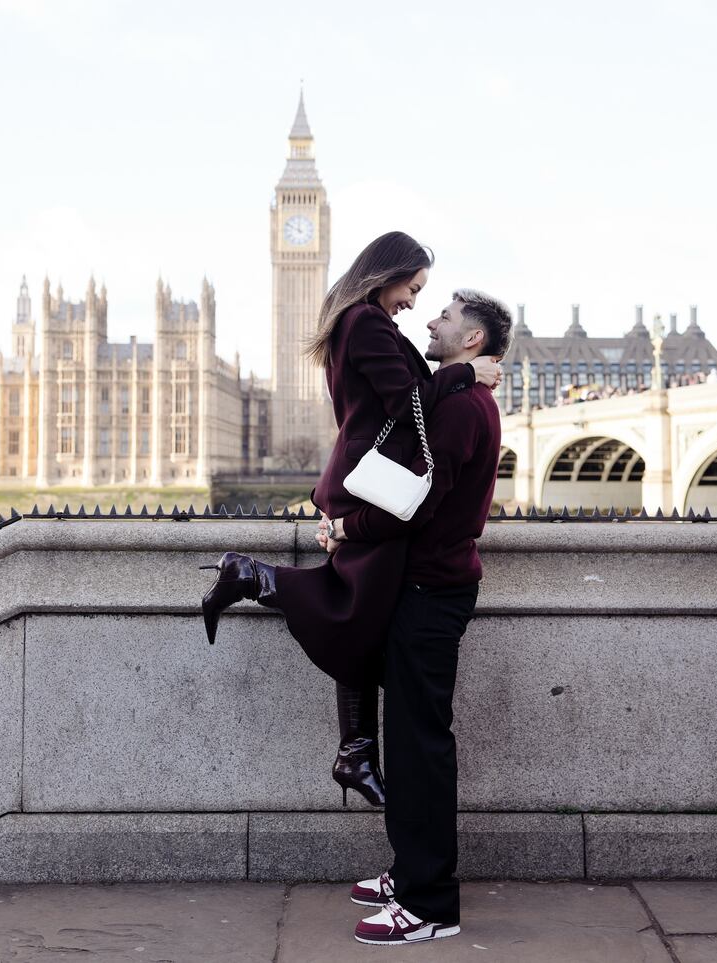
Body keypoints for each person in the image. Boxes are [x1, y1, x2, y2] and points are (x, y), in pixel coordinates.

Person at [198, 232, 502, 808]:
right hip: (375, 484)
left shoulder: (359, 321)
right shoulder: (365, 323)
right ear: (387, 273)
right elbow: (410, 403)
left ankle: (355, 751)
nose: (413, 303)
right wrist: (465, 376)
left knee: (363, 614)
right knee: (354, 610)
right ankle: (249, 576)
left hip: (362, 479)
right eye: (413, 288)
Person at [319, 289, 512, 945]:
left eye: (447, 316)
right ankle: (411, 874)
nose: (430, 319)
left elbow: (416, 502)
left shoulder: (461, 408)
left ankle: (430, 905)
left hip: (432, 593)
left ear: (473, 342)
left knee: (422, 750)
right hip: (427, 590)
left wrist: (347, 525)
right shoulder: (459, 395)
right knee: (409, 744)